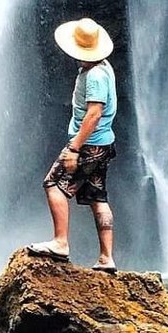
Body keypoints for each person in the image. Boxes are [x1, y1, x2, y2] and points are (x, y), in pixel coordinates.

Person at [28, 17, 118, 272]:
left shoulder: (95, 76)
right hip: (103, 144)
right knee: (97, 197)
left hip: (88, 145)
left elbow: (94, 114)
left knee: (53, 183)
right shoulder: (103, 67)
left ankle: (60, 243)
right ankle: (106, 258)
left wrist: (74, 148)